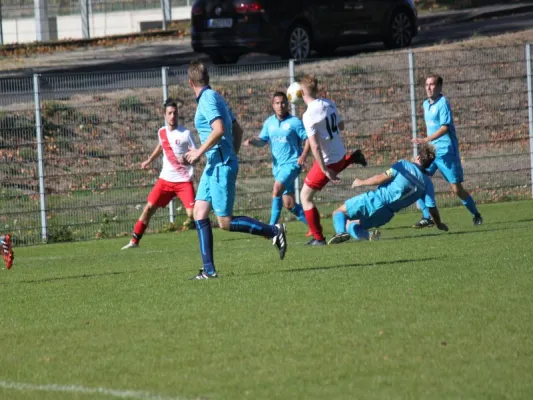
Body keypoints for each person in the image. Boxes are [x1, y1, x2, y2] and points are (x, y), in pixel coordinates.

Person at [184, 60, 287, 280]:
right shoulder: (216, 97)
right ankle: (209, 271)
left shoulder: (207, 99)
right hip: (216, 165)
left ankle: (274, 231)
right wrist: (232, 154)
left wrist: (199, 153)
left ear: (190, 82)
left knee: (225, 222)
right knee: (199, 212)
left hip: (219, 165)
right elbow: (237, 130)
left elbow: (220, 129)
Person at [329, 144, 448, 245]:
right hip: (386, 214)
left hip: (375, 200)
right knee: (350, 224)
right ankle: (368, 236)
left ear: (418, 157)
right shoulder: (427, 184)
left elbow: (381, 178)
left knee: (338, 212)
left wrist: (362, 182)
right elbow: (432, 208)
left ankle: (340, 232)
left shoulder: (404, 165)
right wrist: (439, 224)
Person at [298, 74, 367, 246]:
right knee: (309, 193)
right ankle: (351, 159)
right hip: (340, 153)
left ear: (301, 93)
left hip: (329, 161)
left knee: (305, 197)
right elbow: (341, 126)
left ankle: (318, 238)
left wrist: (324, 170)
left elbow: (314, 147)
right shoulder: (329, 103)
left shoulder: (307, 115)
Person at [122, 99, 197, 250]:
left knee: (192, 214)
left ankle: (208, 236)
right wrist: (149, 160)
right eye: (170, 113)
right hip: (165, 180)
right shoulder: (161, 132)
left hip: (183, 181)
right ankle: (134, 241)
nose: (173, 116)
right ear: (164, 115)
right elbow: (161, 145)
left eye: (175, 113)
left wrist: (189, 160)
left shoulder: (186, 134)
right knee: (148, 208)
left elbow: (197, 155)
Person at [411, 74, 482, 228]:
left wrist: (425, 139)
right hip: (431, 151)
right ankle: (427, 216)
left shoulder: (443, 103)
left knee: (456, 189)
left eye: (432, 84)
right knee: (416, 176)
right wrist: (427, 145)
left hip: (446, 151)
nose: (429, 87)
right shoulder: (425, 104)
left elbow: (444, 128)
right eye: (427, 84)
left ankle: (476, 214)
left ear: (440, 87)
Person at [243, 91, 311, 232]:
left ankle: (270, 228)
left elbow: (308, 138)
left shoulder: (295, 122)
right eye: (277, 103)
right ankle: (314, 227)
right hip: (278, 168)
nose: (280, 105)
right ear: (273, 105)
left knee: (276, 189)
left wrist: (303, 155)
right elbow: (262, 141)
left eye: (283, 102)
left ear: (287, 103)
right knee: (289, 203)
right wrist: (253, 141)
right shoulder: (269, 122)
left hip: (292, 164)